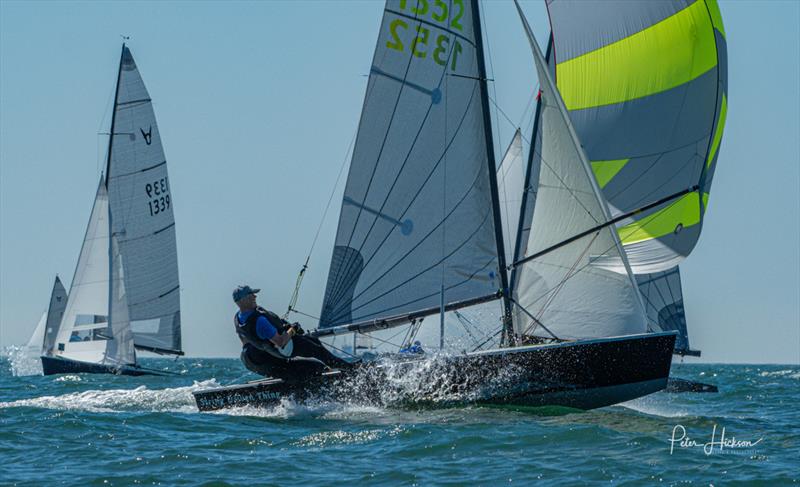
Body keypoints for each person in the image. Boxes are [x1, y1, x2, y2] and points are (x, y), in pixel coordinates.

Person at [232, 285, 353, 381]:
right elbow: (280, 342)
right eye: (251, 295)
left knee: (313, 341)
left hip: (270, 354)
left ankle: (340, 368)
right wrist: (293, 329)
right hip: (285, 347)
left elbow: (246, 341)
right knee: (318, 351)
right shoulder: (260, 321)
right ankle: (351, 371)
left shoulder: (238, 318)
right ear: (242, 300)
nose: (254, 296)